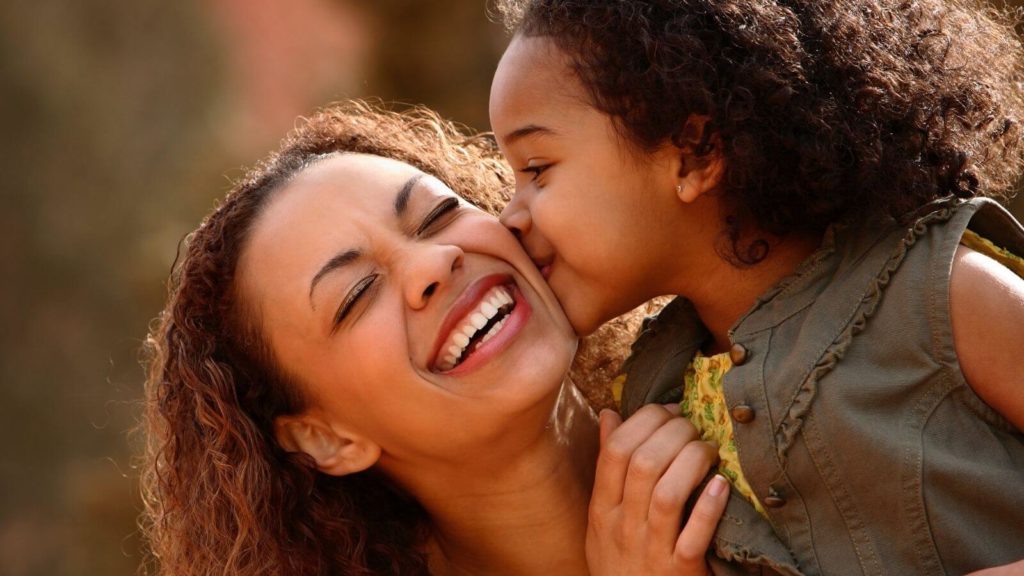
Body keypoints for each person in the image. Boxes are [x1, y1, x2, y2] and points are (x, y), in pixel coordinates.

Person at [489, 0, 1024, 573]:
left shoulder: (939, 291)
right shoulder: (647, 412)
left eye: (538, 168)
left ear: (694, 155)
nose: (509, 218)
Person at [140, 101, 732, 576]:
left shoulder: (756, 378)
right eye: (356, 295)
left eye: (436, 216)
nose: (434, 264)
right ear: (325, 438)